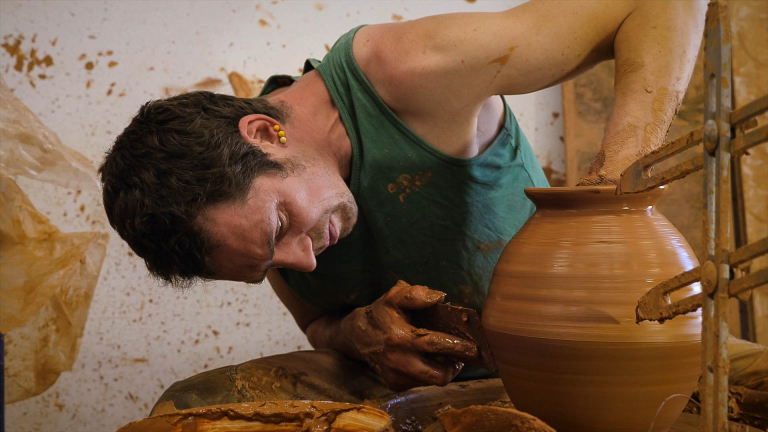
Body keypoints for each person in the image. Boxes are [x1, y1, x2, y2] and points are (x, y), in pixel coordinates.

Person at [101, 0, 765, 419]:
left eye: (281, 230)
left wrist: (621, 180)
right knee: (185, 410)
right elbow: (321, 326)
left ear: (265, 134)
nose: (298, 260)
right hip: (438, 397)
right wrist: (354, 331)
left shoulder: (406, 71)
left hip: (600, 352)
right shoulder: (252, 224)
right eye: (266, 265)